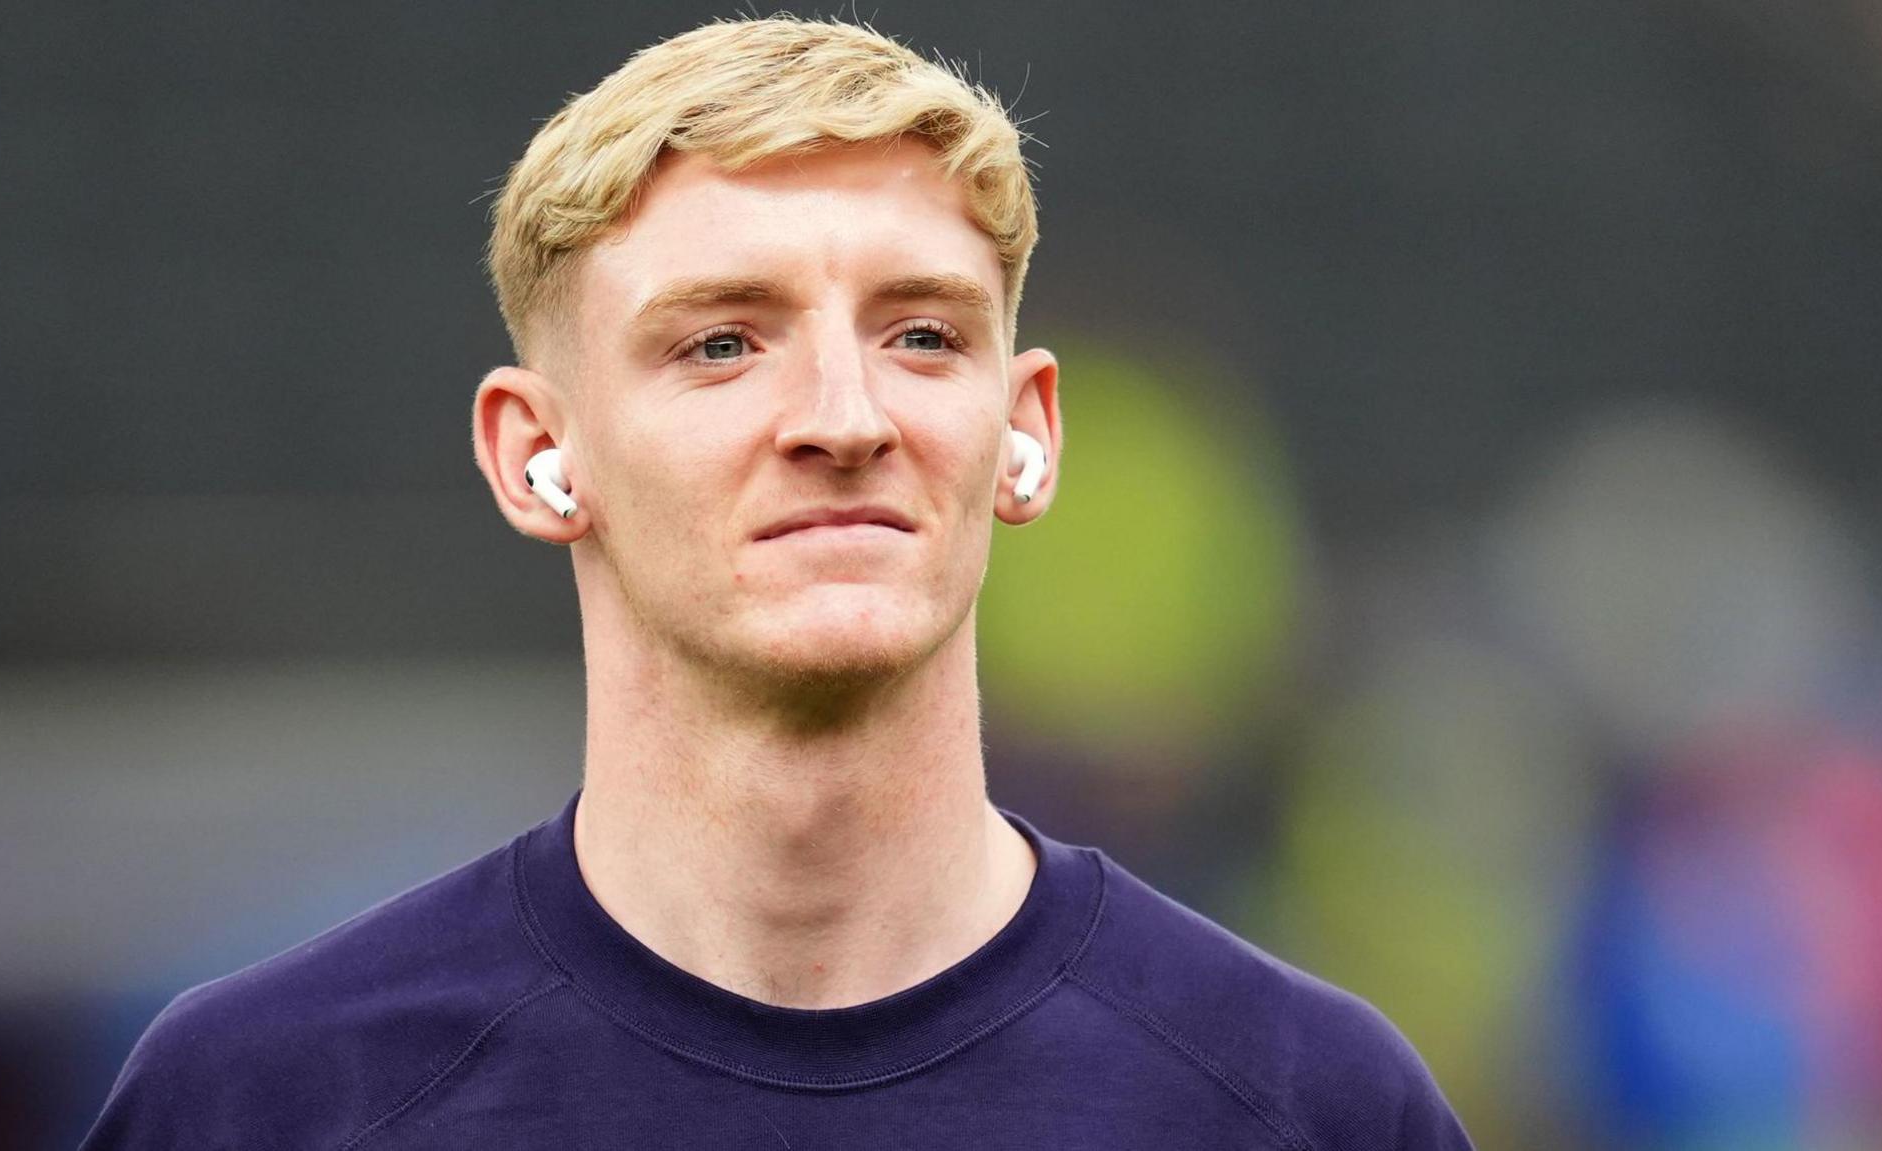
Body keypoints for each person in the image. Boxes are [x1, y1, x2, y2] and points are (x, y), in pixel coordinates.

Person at [80, 16, 1472, 1149]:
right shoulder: (262, 1102)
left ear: (1027, 432)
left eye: (922, 334)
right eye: (721, 345)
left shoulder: (1312, 1103)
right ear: (537, 453)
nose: (844, 416)